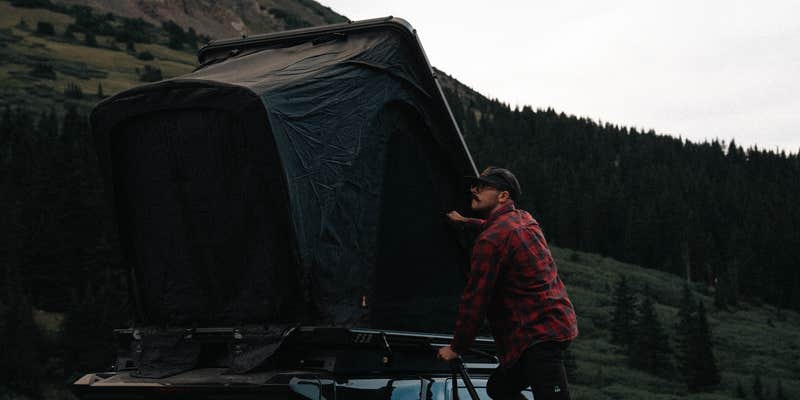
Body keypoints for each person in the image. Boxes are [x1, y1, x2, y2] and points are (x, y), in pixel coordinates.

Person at [438, 166, 578, 400]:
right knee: (499, 389)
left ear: (503, 196)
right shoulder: (524, 219)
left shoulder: (492, 241)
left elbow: (475, 301)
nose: (474, 190)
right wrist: (466, 221)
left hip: (539, 336)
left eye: (482, 187)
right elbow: (494, 227)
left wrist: (456, 348)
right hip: (550, 327)